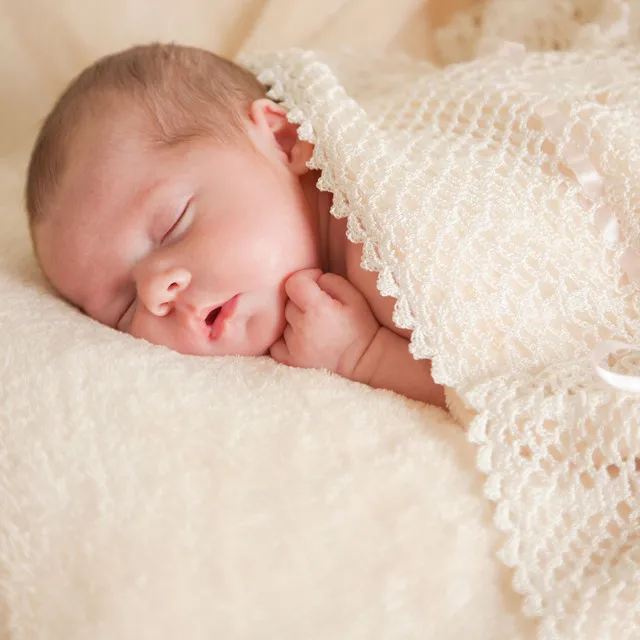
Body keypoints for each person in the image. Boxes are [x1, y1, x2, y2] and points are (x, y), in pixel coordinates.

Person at [26, 42, 446, 407]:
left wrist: (364, 354)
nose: (156, 293)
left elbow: (489, 387)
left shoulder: (387, 249)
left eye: (174, 225)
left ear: (283, 141)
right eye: (124, 308)